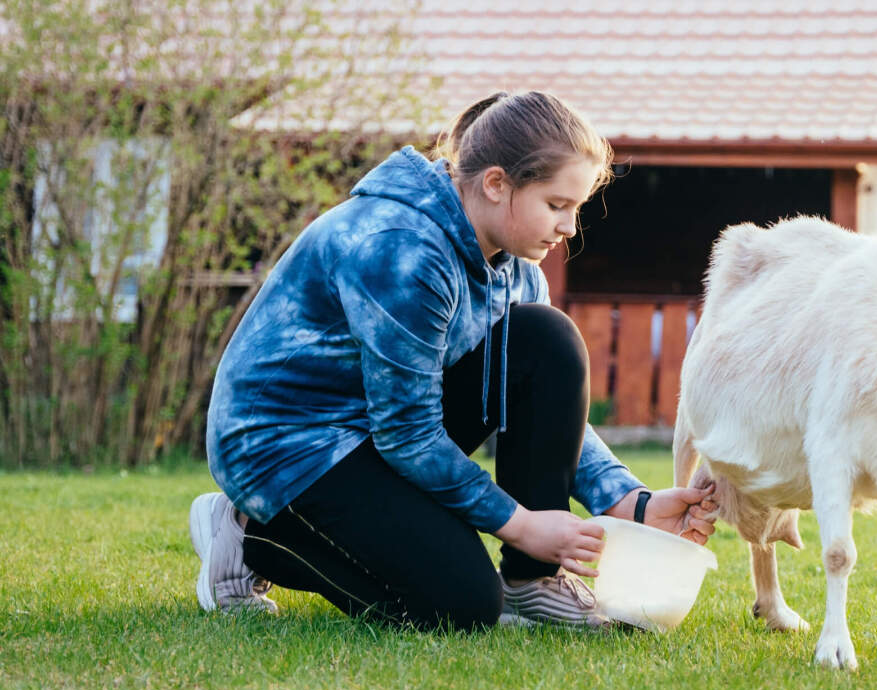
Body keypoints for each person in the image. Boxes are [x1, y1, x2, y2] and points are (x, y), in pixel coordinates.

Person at [189, 90, 717, 630]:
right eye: (557, 205)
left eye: (576, 209)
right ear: (495, 184)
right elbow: (408, 435)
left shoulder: (517, 268)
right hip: (285, 445)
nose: (569, 228)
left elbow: (547, 404)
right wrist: (521, 523)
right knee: (458, 608)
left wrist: (630, 501)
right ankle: (249, 533)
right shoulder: (400, 248)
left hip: (377, 431)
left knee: (547, 340)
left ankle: (531, 581)